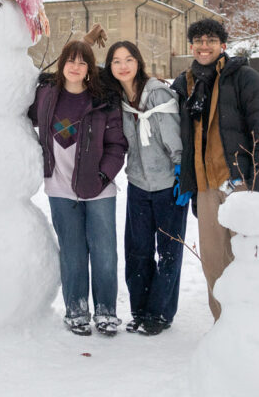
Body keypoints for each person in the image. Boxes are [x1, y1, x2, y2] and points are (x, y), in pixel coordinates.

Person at [170, 18, 259, 321]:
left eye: (211, 40)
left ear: (223, 45)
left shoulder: (245, 79)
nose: (204, 46)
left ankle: (258, 328)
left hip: (240, 184)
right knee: (214, 263)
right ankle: (225, 328)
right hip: (206, 188)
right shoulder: (185, 84)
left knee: (249, 261)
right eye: (198, 41)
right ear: (190, 46)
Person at [29, 40, 128, 336]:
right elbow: (17, 116)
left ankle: (107, 311)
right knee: (71, 252)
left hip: (98, 188)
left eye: (82, 62)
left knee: (104, 252)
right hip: (59, 187)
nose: (75, 66)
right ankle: (76, 310)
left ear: (89, 69)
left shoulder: (102, 101)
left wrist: (103, 175)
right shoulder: (45, 96)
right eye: (70, 60)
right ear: (62, 64)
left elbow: (116, 145)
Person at [102, 41, 184, 336]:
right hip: (138, 183)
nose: (123, 66)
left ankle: (159, 313)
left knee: (168, 252)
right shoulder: (119, 99)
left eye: (128, 59)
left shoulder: (157, 93)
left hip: (167, 185)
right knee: (138, 251)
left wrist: (181, 173)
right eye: (116, 61)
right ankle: (139, 310)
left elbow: (174, 137)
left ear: (138, 61)